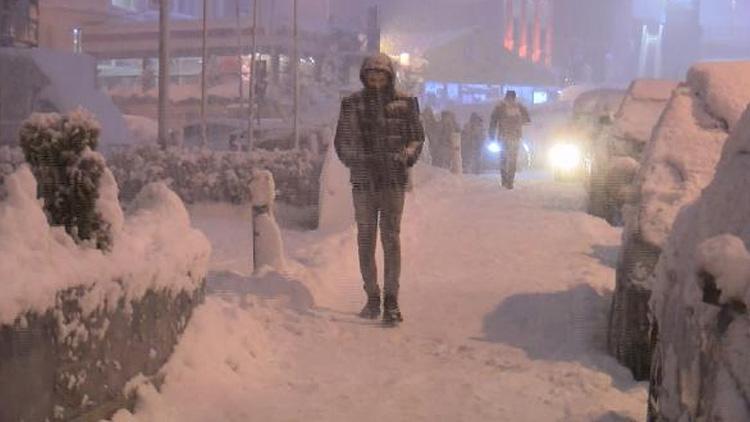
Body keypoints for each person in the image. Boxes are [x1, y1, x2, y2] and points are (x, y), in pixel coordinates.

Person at [334, 53, 425, 325]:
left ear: (389, 76)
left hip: (392, 179)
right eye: (371, 75)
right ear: (364, 76)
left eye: (380, 75)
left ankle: (392, 299)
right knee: (365, 238)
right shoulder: (352, 104)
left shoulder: (406, 104)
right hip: (363, 180)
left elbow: (416, 138)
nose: (375, 80)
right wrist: (357, 159)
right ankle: (372, 295)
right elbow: (343, 141)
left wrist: (405, 157)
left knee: (391, 239)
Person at [488, 90, 531, 189]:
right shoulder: (519, 107)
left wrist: (491, 135)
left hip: (503, 136)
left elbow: (493, 121)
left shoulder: (500, 107)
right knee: (513, 159)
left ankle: (505, 180)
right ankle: (510, 181)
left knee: (504, 158)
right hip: (515, 137)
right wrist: (519, 123)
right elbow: (528, 120)